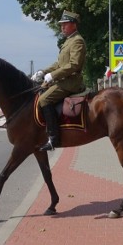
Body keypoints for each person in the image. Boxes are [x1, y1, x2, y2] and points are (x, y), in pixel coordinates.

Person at [31, 10, 86, 151]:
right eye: (61, 25)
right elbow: (59, 64)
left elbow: (74, 64)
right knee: (39, 92)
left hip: (70, 82)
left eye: (65, 24)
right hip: (63, 80)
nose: (62, 27)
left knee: (44, 100)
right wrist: (43, 71)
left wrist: (53, 75)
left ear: (73, 25)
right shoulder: (68, 41)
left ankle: (53, 138)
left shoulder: (77, 40)